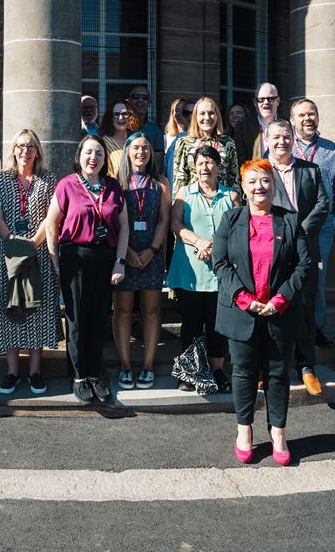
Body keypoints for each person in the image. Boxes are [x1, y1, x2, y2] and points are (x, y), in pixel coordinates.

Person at [214, 158, 311, 467]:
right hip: (242, 311)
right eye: (253, 181)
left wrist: (281, 299)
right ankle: (244, 431)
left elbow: (303, 265)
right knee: (242, 373)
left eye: (265, 180)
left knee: (278, 375)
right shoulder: (230, 219)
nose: (259, 187)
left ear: (274, 185)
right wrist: (243, 297)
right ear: (243, 187)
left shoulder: (291, 220)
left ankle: (278, 433)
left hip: (279, 311)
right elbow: (220, 264)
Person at [45, 135, 129, 405]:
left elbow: (124, 226)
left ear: (105, 160)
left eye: (99, 154)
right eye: (89, 152)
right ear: (80, 155)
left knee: (97, 318)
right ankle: (79, 376)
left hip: (105, 257)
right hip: (75, 256)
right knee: (77, 319)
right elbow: (51, 224)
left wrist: (120, 261)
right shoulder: (67, 185)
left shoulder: (113, 186)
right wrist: (56, 260)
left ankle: (95, 373)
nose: (94, 158)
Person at [0, 130, 60, 394]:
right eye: (20, 146)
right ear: (13, 149)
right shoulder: (1, 178)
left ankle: (34, 372)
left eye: (31, 146)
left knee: (36, 311)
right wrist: (13, 242)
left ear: (37, 151)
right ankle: (11, 372)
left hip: (38, 253)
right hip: (7, 254)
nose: (25, 151)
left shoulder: (48, 179)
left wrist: (32, 244)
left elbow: (51, 217)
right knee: (8, 310)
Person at [166, 145, 238, 392]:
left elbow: (237, 232)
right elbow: (175, 224)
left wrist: (214, 248)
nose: (204, 167)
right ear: (193, 167)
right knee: (191, 323)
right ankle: (189, 371)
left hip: (220, 272)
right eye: (200, 163)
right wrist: (199, 241)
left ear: (218, 166)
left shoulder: (232, 196)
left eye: (209, 162)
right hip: (191, 272)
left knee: (218, 325)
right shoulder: (184, 194)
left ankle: (217, 370)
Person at [266, 120, 329, 396]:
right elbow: (254, 205)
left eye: (286, 137)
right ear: (267, 139)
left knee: (305, 306)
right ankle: (267, 366)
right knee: (272, 307)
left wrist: (298, 232)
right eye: (276, 137)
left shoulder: (311, 170)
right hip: (271, 249)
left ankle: (306, 367)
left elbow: (323, 204)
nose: (282, 141)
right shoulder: (259, 169)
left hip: (305, 247)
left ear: (294, 139)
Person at [113, 131, 169, 389]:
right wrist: (126, 254)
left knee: (152, 310)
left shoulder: (161, 183)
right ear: (127, 151)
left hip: (152, 256)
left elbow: (164, 220)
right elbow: (112, 221)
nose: (141, 152)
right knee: (122, 311)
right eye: (136, 147)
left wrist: (152, 251)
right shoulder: (116, 183)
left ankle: (147, 366)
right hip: (123, 255)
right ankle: (125, 366)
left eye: (146, 147)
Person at [289, 98, 335, 344]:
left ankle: (315, 326)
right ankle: (291, 327)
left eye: (311, 113)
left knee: (318, 281)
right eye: (301, 115)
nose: (307, 118)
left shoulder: (331, 149)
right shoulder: (284, 146)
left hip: (322, 228)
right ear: (292, 121)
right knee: (289, 277)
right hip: (290, 227)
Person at [173, 95, 240, 191]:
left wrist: (236, 201)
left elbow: (234, 179)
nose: (207, 117)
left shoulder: (227, 142)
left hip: (222, 201)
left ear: (217, 116)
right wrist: (179, 204)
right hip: (194, 202)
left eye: (211, 113)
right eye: (202, 113)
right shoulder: (184, 143)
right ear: (195, 117)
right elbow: (179, 181)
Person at [233, 82, 280, 163]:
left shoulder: (289, 125)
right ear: (255, 103)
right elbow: (240, 161)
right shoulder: (243, 128)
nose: (266, 102)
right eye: (261, 100)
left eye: (271, 99)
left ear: (278, 101)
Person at [161, 97, 194, 189]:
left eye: (183, 111)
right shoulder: (166, 139)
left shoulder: (196, 139)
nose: (179, 114)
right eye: (176, 110)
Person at [125, 85, 165, 159]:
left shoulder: (156, 131)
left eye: (145, 98)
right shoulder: (120, 127)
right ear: (128, 100)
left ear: (149, 103)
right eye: (136, 96)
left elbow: (157, 166)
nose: (140, 99)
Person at [98, 99, 132, 177]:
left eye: (125, 114)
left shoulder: (134, 141)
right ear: (110, 118)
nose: (121, 118)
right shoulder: (103, 144)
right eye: (116, 114)